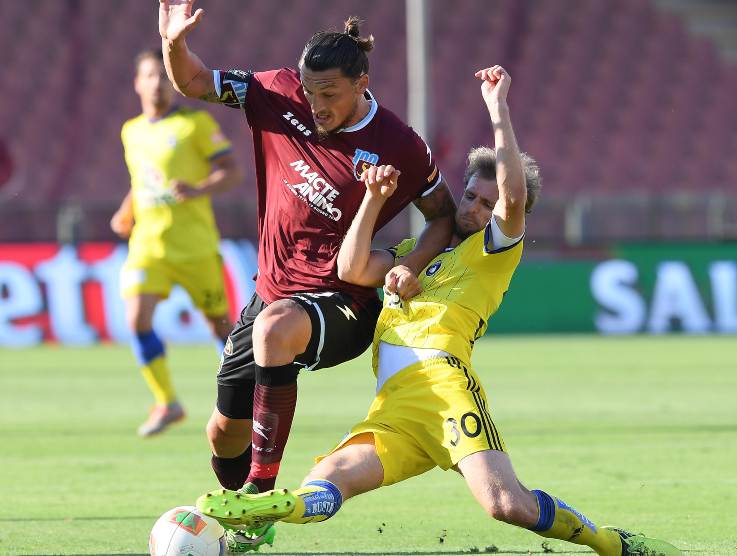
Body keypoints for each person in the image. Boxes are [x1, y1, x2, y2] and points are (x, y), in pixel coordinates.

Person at [196, 66, 683, 556]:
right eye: (470, 195)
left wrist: (498, 112)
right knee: (324, 482)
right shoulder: (419, 250)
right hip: (395, 407)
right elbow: (351, 268)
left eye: (487, 203)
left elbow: (512, 195)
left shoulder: (495, 251)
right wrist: (372, 201)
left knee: (506, 504)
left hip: (448, 392)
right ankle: (263, 514)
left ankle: (614, 545)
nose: (474, 208)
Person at [159, 0, 456, 538]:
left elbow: (443, 218)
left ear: (361, 82)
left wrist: (411, 264)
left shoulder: (399, 144)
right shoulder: (275, 94)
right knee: (224, 435)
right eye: (310, 90)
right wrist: (173, 43)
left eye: (330, 93)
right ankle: (247, 524)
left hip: (344, 300)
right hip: (271, 291)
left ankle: (263, 491)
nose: (316, 104)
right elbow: (195, 82)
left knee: (277, 332)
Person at [112, 49, 241, 437]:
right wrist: (127, 209)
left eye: (164, 77)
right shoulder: (131, 131)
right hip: (149, 244)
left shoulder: (195, 124)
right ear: (137, 83)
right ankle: (167, 402)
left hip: (195, 245)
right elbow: (143, 180)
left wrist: (198, 188)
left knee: (220, 328)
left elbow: (232, 172)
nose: (158, 83)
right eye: (150, 76)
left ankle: (240, 404)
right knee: (136, 318)